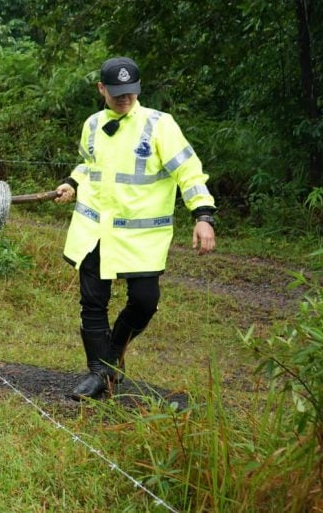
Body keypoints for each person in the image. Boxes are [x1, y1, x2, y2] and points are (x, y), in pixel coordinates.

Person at [54, 56, 217, 400]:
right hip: (94, 231)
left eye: (130, 92)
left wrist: (203, 215)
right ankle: (100, 374)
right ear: (101, 89)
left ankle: (111, 355)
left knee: (145, 301)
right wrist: (73, 182)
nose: (124, 98)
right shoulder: (93, 124)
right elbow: (89, 165)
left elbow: (188, 171)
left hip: (140, 237)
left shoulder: (160, 125)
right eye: (116, 93)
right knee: (93, 303)